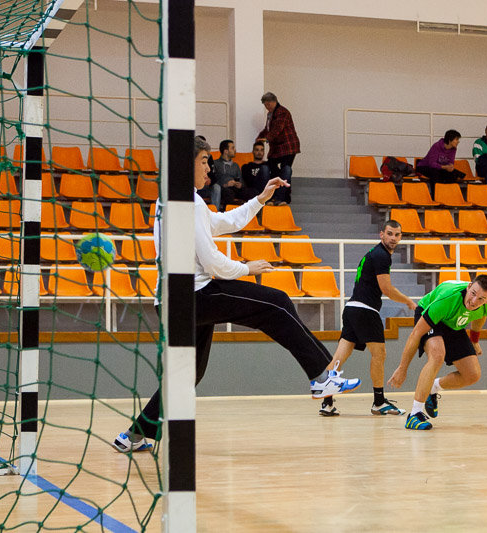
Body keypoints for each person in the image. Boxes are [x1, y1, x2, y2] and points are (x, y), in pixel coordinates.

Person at [112, 137, 360, 453]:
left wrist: (260, 199)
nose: (209, 168)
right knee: (277, 303)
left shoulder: (174, 200)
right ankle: (322, 376)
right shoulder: (187, 203)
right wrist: (246, 268)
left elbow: (223, 222)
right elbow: (212, 262)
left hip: (174, 302)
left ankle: (133, 435)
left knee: (188, 374)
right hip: (194, 297)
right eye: (204, 161)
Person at [318, 220, 418, 417]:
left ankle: (326, 402)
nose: (393, 238)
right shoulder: (381, 255)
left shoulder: (374, 254)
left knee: (339, 357)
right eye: (390, 233)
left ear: (401, 237)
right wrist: (408, 301)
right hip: (365, 310)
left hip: (351, 309)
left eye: (397, 234)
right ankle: (379, 402)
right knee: (379, 354)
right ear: (382, 234)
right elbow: (386, 289)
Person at [387, 275, 487, 431]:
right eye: (473, 293)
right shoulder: (447, 299)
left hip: (453, 322)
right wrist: (402, 368)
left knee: (472, 375)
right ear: (469, 286)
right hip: (430, 312)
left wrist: (475, 340)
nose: (474, 301)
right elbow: (416, 334)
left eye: (481, 299)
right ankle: (415, 414)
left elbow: (480, 316)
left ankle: (432, 387)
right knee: (437, 356)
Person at [256, 92, 299, 205]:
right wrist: (259, 138)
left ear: (274, 101)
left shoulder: (282, 112)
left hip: (288, 147)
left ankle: (282, 197)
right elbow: (268, 129)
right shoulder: (270, 114)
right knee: (276, 168)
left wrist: (266, 139)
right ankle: (278, 196)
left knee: (285, 170)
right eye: (265, 105)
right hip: (278, 148)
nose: (267, 107)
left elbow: (277, 129)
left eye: (268, 104)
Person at [212, 139, 258, 209]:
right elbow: (213, 179)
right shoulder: (216, 163)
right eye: (232, 148)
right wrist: (225, 184)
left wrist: (240, 184)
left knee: (253, 192)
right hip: (223, 188)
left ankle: (254, 213)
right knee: (228, 193)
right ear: (226, 151)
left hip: (235, 188)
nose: (235, 150)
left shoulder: (235, 165)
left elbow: (241, 180)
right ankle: (228, 213)